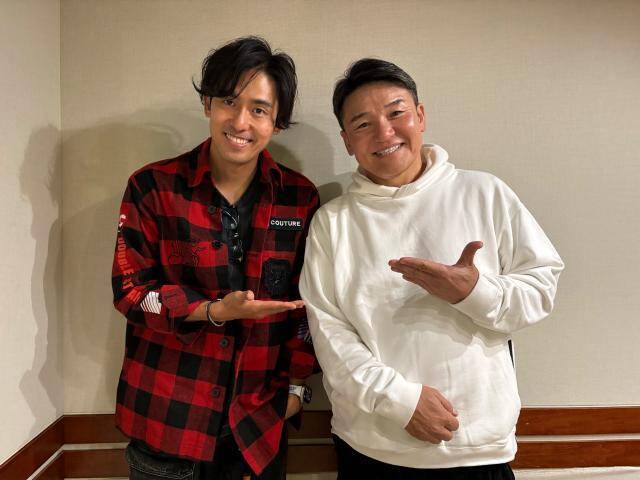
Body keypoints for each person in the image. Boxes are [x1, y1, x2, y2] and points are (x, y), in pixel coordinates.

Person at [299, 58, 564, 480]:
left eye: (396, 113)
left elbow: (541, 290)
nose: (384, 132)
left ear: (420, 116)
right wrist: (400, 402)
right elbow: (329, 333)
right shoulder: (333, 222)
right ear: (347, 141)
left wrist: (473, 292)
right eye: (363, 124)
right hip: (371, 446)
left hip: (477, 448)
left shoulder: (484, 192)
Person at [112, 36, 318, 480]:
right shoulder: (153, 187)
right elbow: (129, 292)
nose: (241, 121)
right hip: (168, 420)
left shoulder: (299, 197)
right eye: (229, 101)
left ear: (277, 121)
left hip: (258, 427)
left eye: (259, 109)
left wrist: (298, 387)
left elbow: (311, 304)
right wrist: (211, 311)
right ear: (207, 103)